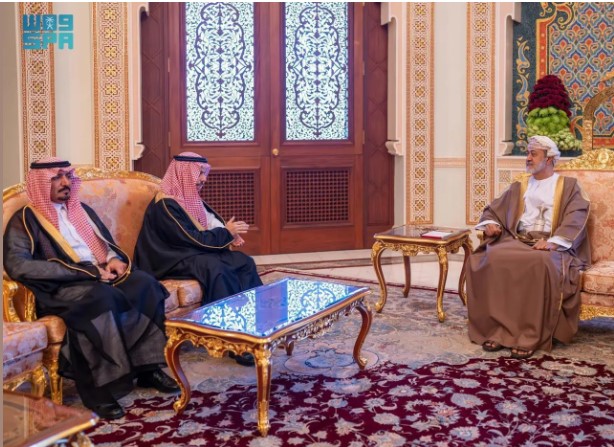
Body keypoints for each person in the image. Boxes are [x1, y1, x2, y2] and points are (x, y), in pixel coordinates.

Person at [3, 157, 179, 420]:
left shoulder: (81, 209)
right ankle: (99, 390)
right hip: (62, 287)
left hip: (100, 276)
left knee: (146, 285)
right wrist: (84, 272)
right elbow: (19, 266)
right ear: (40, 182)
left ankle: (147, 368)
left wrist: (113, 259)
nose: (65, 182)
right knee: (101, 299)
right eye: (56, 177)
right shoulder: (26, 220)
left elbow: (104, 244)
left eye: (67, 176)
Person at [466, 136, 591, 359]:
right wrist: (492, 224)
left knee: (538, 262)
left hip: (551, 245)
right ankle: (498, 330)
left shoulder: (568, 186)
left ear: (549, 159)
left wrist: (553, 242)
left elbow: (576, 216)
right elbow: (493, 210)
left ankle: (528, 335)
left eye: (534, 154)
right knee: (492, 256)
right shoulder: (520, 185)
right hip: (517, 240)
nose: (528, 158)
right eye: (528, 153)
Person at [134, 152, 263, 365]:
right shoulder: (165, 205)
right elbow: (192, 238)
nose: (203, 179)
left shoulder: (190, 200)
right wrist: (226, 233)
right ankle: (229, 340)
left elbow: (207, 226)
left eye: (204, 173)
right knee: (215, 267)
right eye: (199, 173)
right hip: (168, 258)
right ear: (183, 173)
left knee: (243, 262)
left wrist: (228, 233)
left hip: (188, 253)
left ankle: (257, 325)